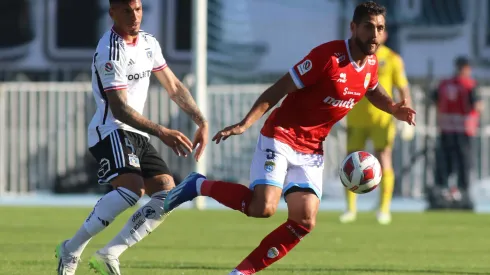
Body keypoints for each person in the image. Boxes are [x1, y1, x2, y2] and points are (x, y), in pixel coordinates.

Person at [164, 2, 415, 274]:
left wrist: (392, 108)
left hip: (312, 149)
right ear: (353, 27)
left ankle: (241, 272)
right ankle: (198, 185)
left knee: (304, 221)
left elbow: (372, 88)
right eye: (368, 27)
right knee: (263, 207)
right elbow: (280, 87)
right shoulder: (327, 57)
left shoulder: (372, 63)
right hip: (281, 135)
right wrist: (245, 123)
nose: (375, 35)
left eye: (380, 28)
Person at [55, 0, 208, 274]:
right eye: (126, 10)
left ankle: (109, 253)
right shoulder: (110, 50)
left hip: (136, 133)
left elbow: (173, 85)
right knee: (131, 190)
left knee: (166, 193)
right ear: (112, 12)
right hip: (110, 129)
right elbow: (120, 109)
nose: (134, 16)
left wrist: (201, 120)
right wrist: (162, 131)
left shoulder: (149, 43)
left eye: (137, 9)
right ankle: (71, 249)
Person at [340, 30, 413, 225]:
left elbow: (402, 87)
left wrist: (407, 114)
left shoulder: (392, 58)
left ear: (385, 35)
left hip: (382, 119)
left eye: (378, 30)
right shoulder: (353, 56)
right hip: (355, 117)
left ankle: (384, 209)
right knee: (351, 162)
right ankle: (350, 209)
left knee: (384, 158)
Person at [430, 56, 482, 210]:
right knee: (463, 166)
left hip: (446, 129)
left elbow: (434, 99)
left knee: (445, 165)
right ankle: (463, 194)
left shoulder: (444, 84)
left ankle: (441, 192)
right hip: (464, 131)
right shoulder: (470, 85)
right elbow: (478, 106)